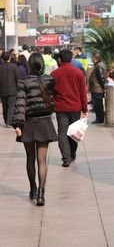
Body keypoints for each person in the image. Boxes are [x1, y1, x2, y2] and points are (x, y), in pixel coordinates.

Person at [13, 52, 57, 206]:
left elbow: (20, 104)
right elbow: (53, 100)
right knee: (42, 160)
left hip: (29, 123)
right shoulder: (50, 80)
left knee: (30, 159)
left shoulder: (23, 81)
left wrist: (18, 124)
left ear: (29, 65)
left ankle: (32, 188)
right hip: (45, 122)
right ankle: (41, 193)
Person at [51, 49, 88, 167]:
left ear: (60, 59)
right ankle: (72, 154)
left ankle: (66, 158)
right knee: (74, 131)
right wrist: (85, 109)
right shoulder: (78, 73)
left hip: (60, 107)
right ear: (71, 58)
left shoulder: (54, 74)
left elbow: (51, 92)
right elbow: (83, 92)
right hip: (75, 107)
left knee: (62, 132)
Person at [0, 51, 19, 127]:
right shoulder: (14, 66)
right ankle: (9, 122)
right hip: (12, 90)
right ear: (10, 58)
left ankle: (6, 121)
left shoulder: (0, 67)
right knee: (11, 106)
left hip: (2, 89)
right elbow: (17, 78)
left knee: (4, 106)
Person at [89, 53, 107, 124]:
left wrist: (104, 87)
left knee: (98, 105)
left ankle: (99, 119)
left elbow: (101, 78)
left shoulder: (98, 66)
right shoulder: (100, 65)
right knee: (98, 104)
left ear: (95, 58)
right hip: (97, 88)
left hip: (97, 88)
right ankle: (100, 118)